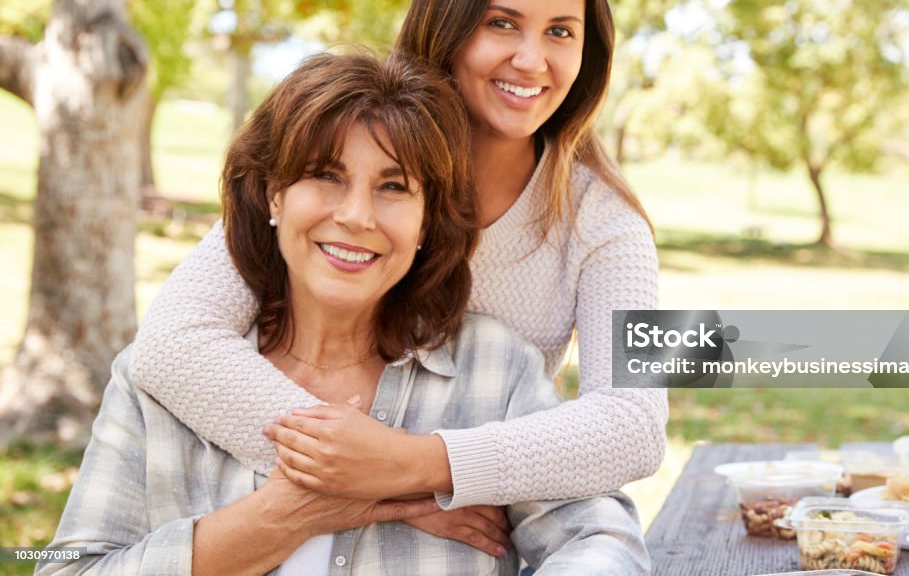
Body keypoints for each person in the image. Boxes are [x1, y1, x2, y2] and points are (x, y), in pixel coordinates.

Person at [129, 0, 665, 555]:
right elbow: (172, 342)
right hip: (261, 520)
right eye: (502, 23)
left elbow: (636, 423)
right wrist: (366, 488)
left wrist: (419, 464)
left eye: (561, 31)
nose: (532, 60)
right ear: (448, 23)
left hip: (457, 545)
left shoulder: (606, 225)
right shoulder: (348, 152)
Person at [38, 52, 650, 575]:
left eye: (393, 187)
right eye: (325, 176)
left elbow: (611, 512)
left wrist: (412, 464)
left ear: (425, 221)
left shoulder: (498, 366)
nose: (356, 215)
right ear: (275, 196)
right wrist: (291, 512)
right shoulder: (163, 379)